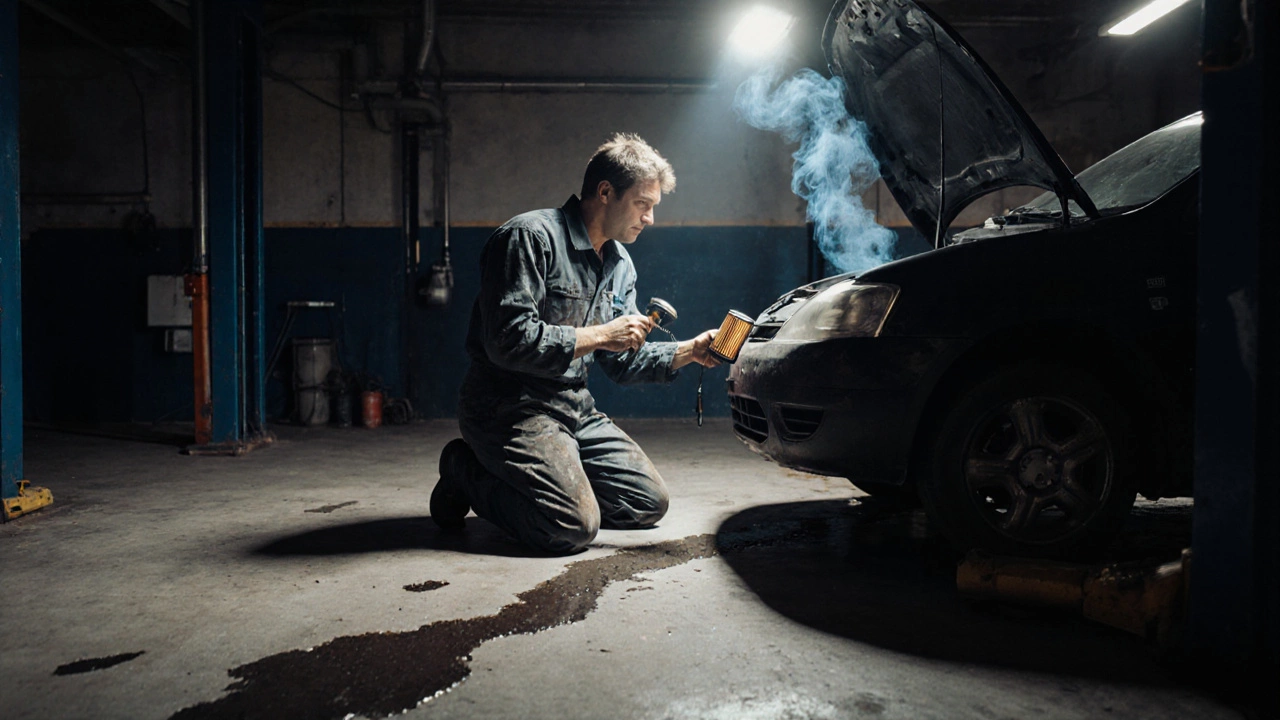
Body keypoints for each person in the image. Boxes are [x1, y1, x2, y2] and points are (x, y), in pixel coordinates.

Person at [431, 133, 721, 555]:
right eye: (643, 204)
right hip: (508, 406)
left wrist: (689, 351)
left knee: (646, 502)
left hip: (573, 408)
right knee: (572, 526)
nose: (650, 218)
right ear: (605, 192)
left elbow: (621, 362)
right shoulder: (529, 238)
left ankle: (557, 476)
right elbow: (507, 341)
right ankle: (463, 469)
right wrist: (603, 334)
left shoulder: (620, 264)